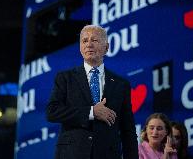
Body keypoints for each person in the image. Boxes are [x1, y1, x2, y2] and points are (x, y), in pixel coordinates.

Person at [46, 25, 138, 159]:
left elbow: (128, 131)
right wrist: (91, 112)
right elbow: (52, 112)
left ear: (106, 48)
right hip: (72, 154)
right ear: (80, 48)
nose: (89, 44)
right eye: (84, 41)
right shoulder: (65, 78)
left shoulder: (121, 84)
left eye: (94, 40)